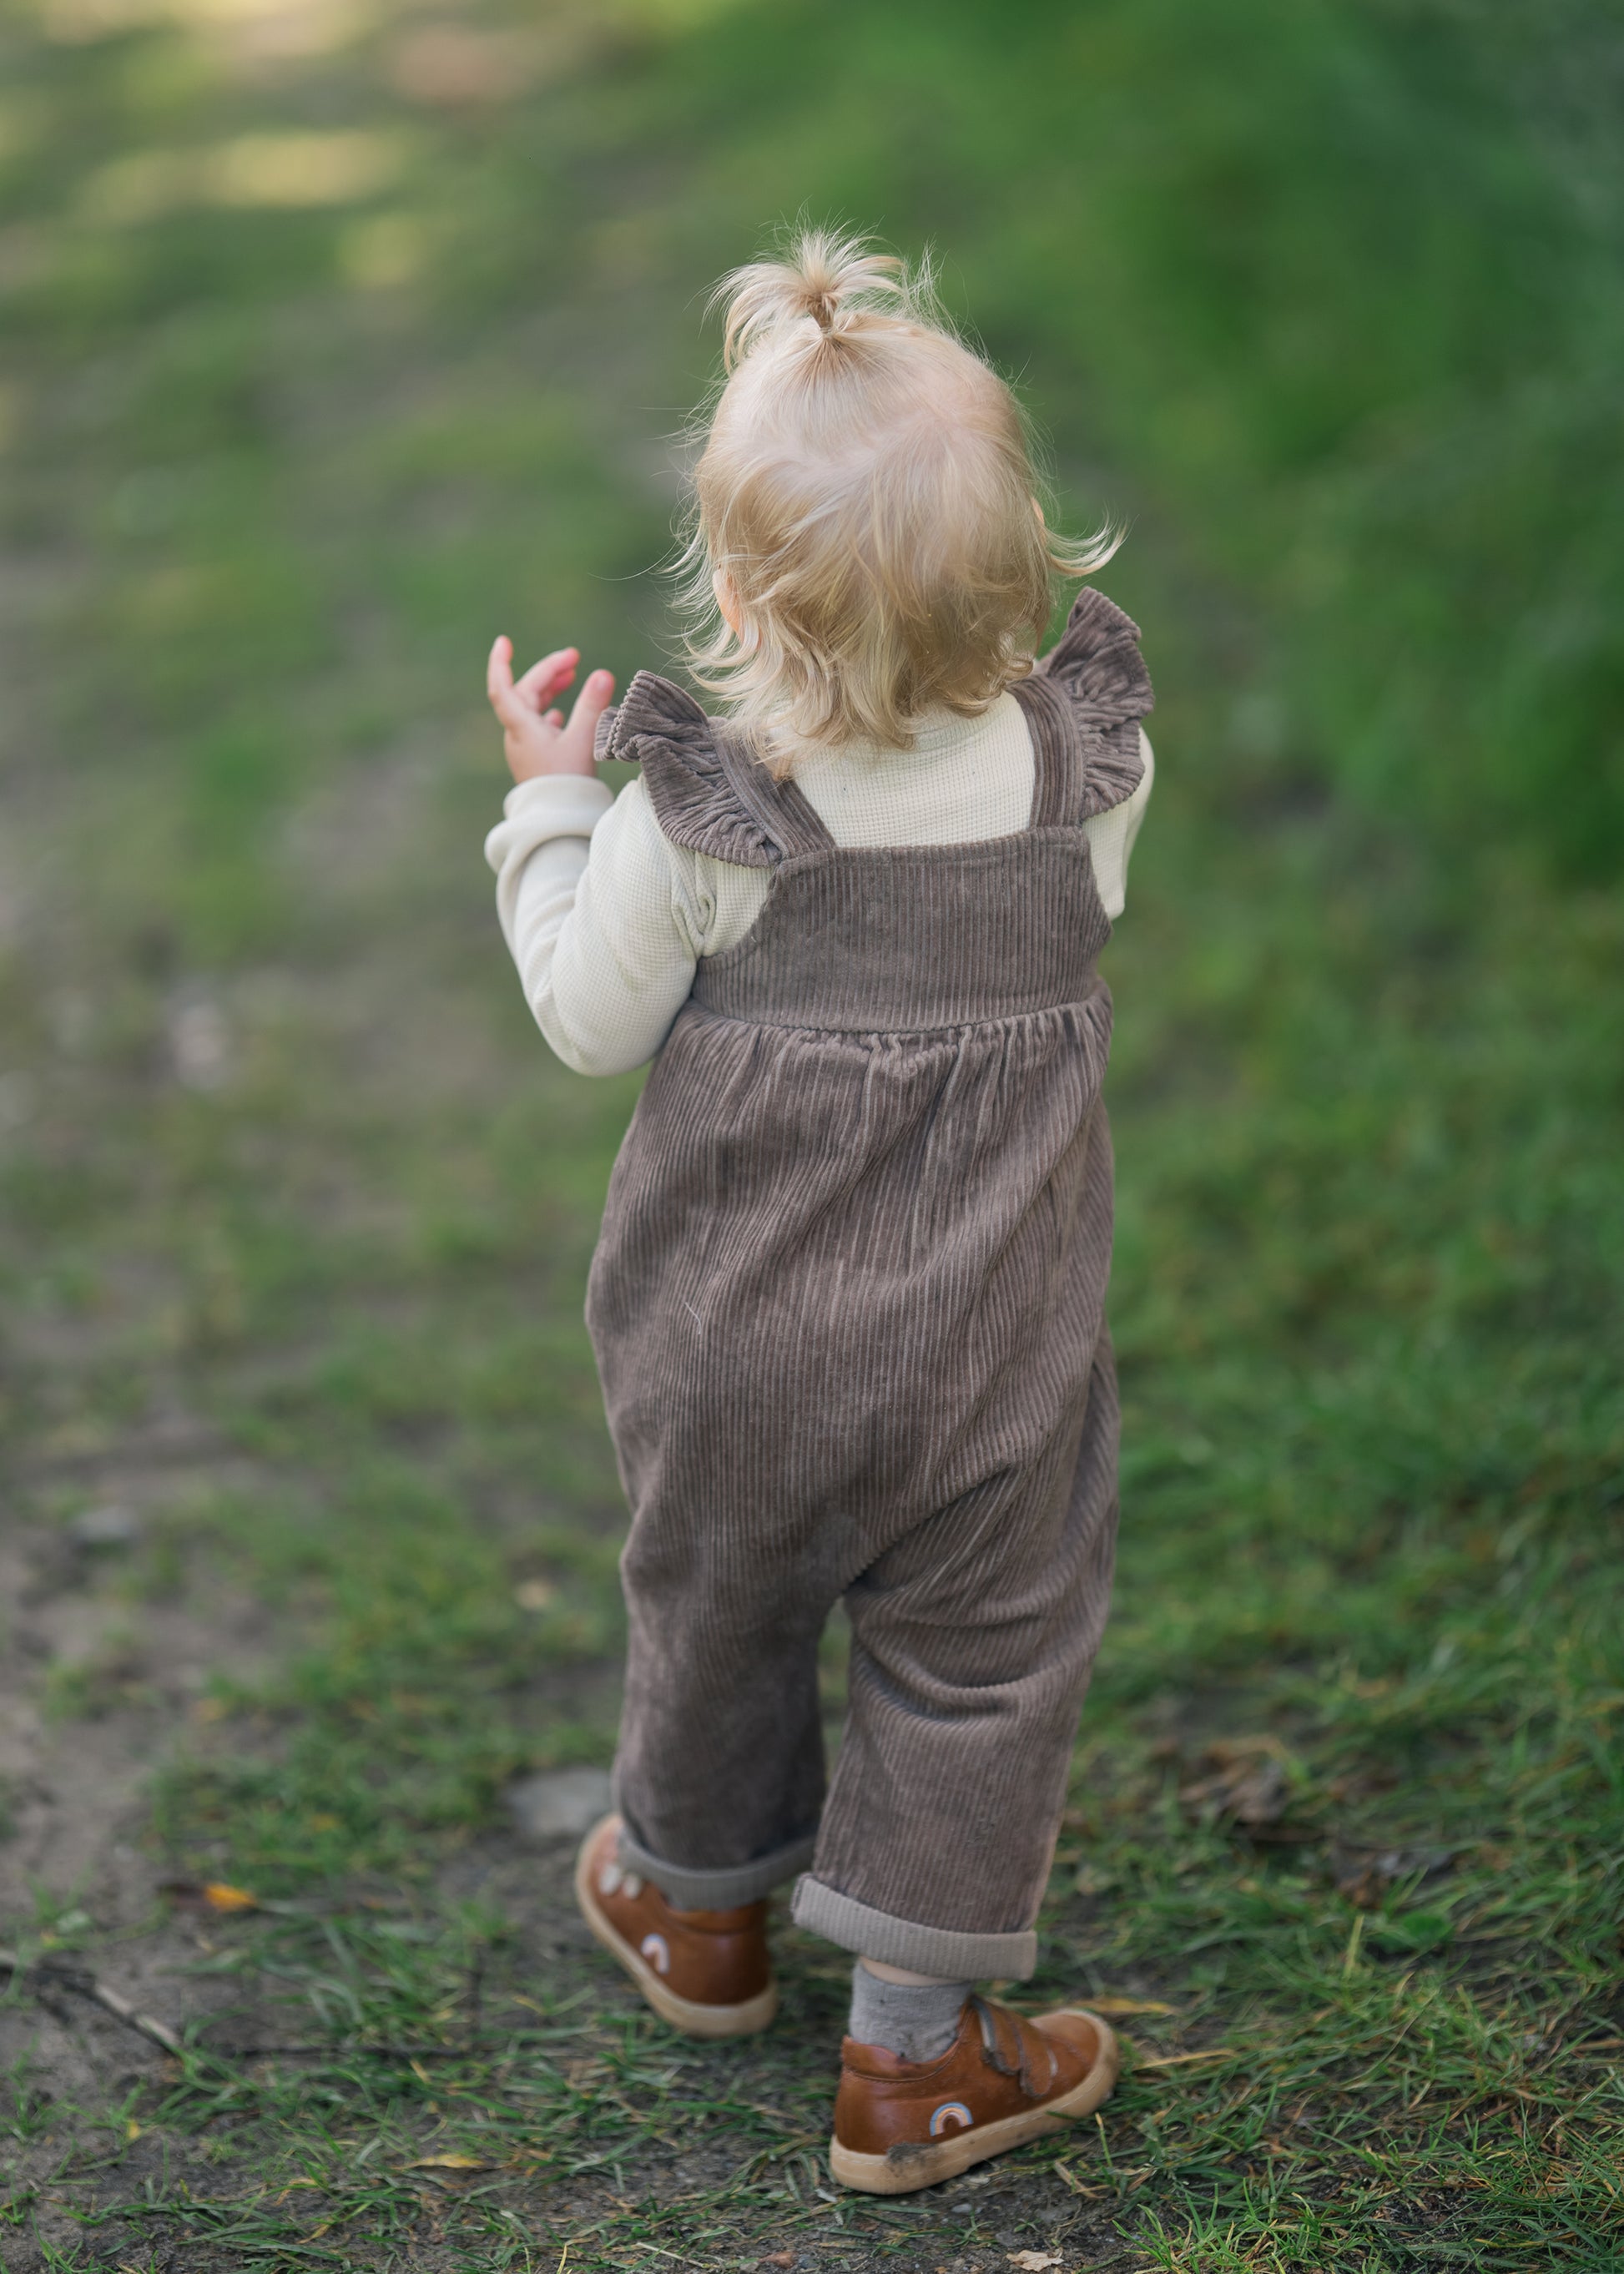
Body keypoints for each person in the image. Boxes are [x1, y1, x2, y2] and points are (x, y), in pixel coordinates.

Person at [482, 230, 1153, 2196]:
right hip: (992, 1357)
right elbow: (1072, 913)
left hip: (731, 1343)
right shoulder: (1079, 764)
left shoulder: (705, 819)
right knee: (983, 1657)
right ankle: (918, 2059)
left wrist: (548, 810)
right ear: (1027, 563)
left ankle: (696, 1913)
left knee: (716, 1606)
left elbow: (584, 1025)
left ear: (741, 592)